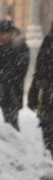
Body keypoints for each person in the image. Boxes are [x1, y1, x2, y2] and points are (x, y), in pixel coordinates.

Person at [28, 20, 53, 155]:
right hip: (47, 95)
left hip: (47, 94)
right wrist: (33, 95)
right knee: (47, 129)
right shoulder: (48, 42)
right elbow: (39, 71)